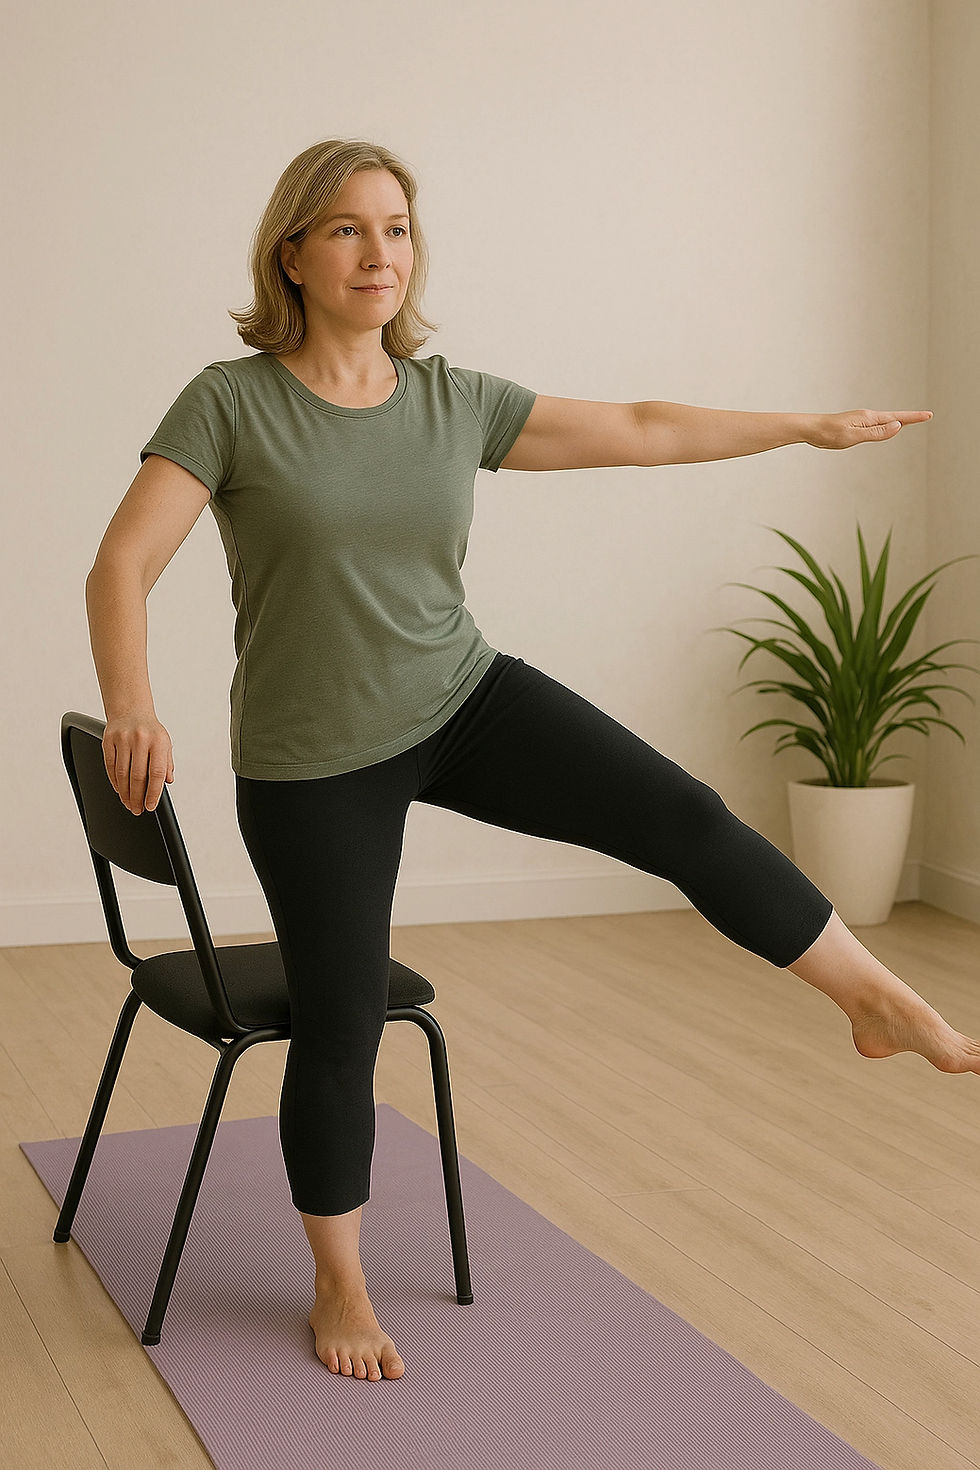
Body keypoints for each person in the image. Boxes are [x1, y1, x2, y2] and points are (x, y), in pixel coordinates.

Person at [84, 137, 979, 1385]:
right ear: (290, 252)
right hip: (309, 760)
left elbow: (640, 425)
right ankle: (336, 1283)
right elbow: (121, 562)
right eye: (345, 229)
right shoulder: (231, 403)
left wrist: (800, 428)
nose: (377, 252)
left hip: (460, 697)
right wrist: (131, 702)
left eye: (394, 228)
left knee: (681, 814)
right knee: (342, 1023)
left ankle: (870, 997)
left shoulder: (450, 401)